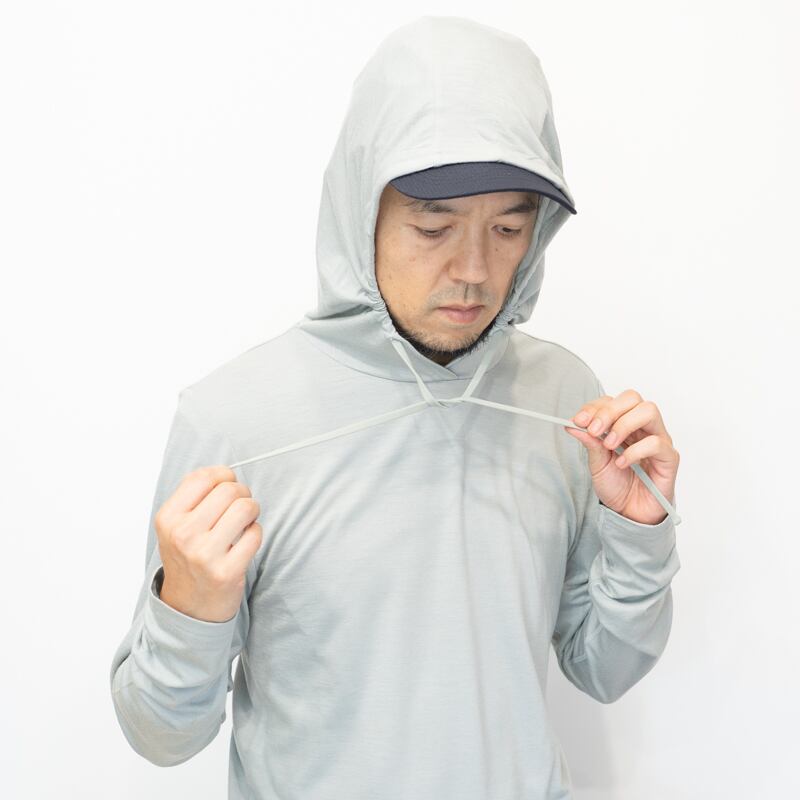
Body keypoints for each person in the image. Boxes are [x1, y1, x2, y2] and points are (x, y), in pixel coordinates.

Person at [109, 15, 681, 800]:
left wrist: (639, 532)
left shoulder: (563, 400)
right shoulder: (236, 418)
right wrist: (190, 612)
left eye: (508, 227)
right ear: (362, 209)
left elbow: (604, 669)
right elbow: (160, 737)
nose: (474, 268)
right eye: (433, 227)